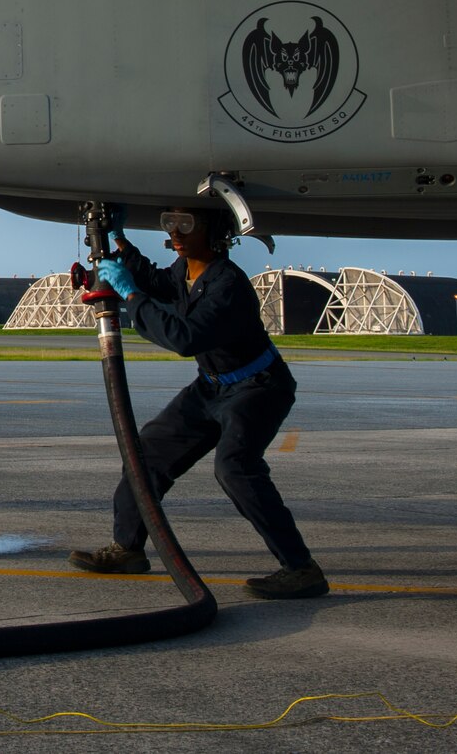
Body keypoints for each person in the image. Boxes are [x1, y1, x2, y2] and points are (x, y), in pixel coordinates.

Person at [69, 206, 328, 599]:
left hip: (258, 387)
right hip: (210, 387)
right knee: (146, 456)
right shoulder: (185, 271)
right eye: (170, 223)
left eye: (187, 225)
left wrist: (131, 295)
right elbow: (157, 280)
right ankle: (128, 549)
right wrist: (120, 241)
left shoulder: (228, 284)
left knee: (235, 468)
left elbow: (184, 338)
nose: (175, 232)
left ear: (217, 233)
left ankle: (301, 568)